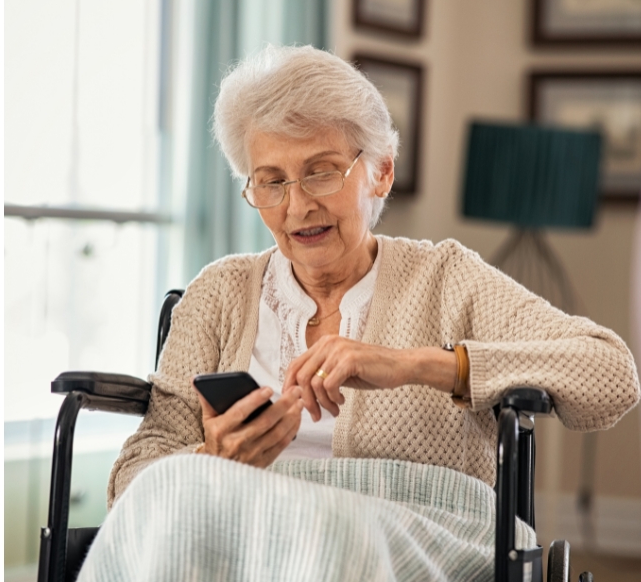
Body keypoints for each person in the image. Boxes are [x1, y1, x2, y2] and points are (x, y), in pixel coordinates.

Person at [81, 45, 640, 579]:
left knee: (323, 531)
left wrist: (417, 364)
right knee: (172, 497)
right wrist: (209, 457)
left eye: (321, 171)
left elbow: (612, 372)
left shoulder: (446, 278)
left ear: (381, 173)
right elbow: (136, 482)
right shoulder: (220, 293)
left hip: (424, 528)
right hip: (246, 526)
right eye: (271, 182)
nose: (298, 205)